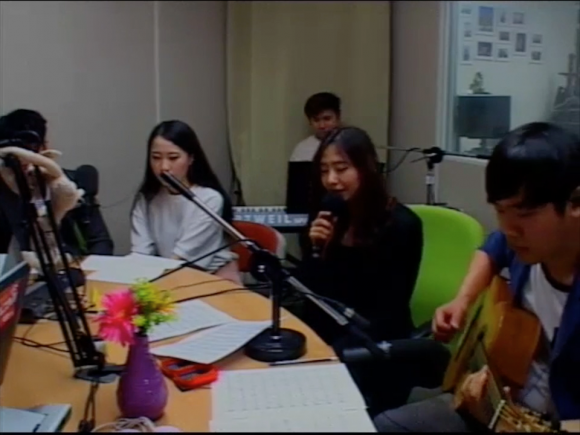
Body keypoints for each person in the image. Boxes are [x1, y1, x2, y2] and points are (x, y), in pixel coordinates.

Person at [374, 122, 580, 432]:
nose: (510, 229)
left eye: (524, 214)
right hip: (502, 401)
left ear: (575, 204)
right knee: (387, 425)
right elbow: (494, 247)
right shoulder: (525, 246)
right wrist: (463, 300)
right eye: (500, 211)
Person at [297, 126, 424, 415]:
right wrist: (315, 249)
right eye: (324, 171)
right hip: (329, 336)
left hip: (375, 346)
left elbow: (388, 310)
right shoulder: (327, 217)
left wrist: (333, 353)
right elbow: (310, 295)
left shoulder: (402, 226)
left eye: (341, 169)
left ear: (365, 169)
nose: (331, 180)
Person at [130, 120, 240, 282]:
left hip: (211, 278)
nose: (164, 167)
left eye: (173, 158)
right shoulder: (147, 199)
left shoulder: (209, 199)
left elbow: (181, 257)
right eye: (156, 158)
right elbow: (140, 253)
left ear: (190, 158)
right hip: (168, 276)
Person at [0, 109, 113, 261]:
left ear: (45, 147)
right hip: (20, 269)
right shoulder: (3, 190)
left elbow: (100, 243)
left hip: (70, 265)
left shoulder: (68, 183)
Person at [289, 92, 342, 162]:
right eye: (316, 120)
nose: (322, 125)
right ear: (310, 121)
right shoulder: (302, 149)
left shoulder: (351, 144)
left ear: (338, 117)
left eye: (327, 119)